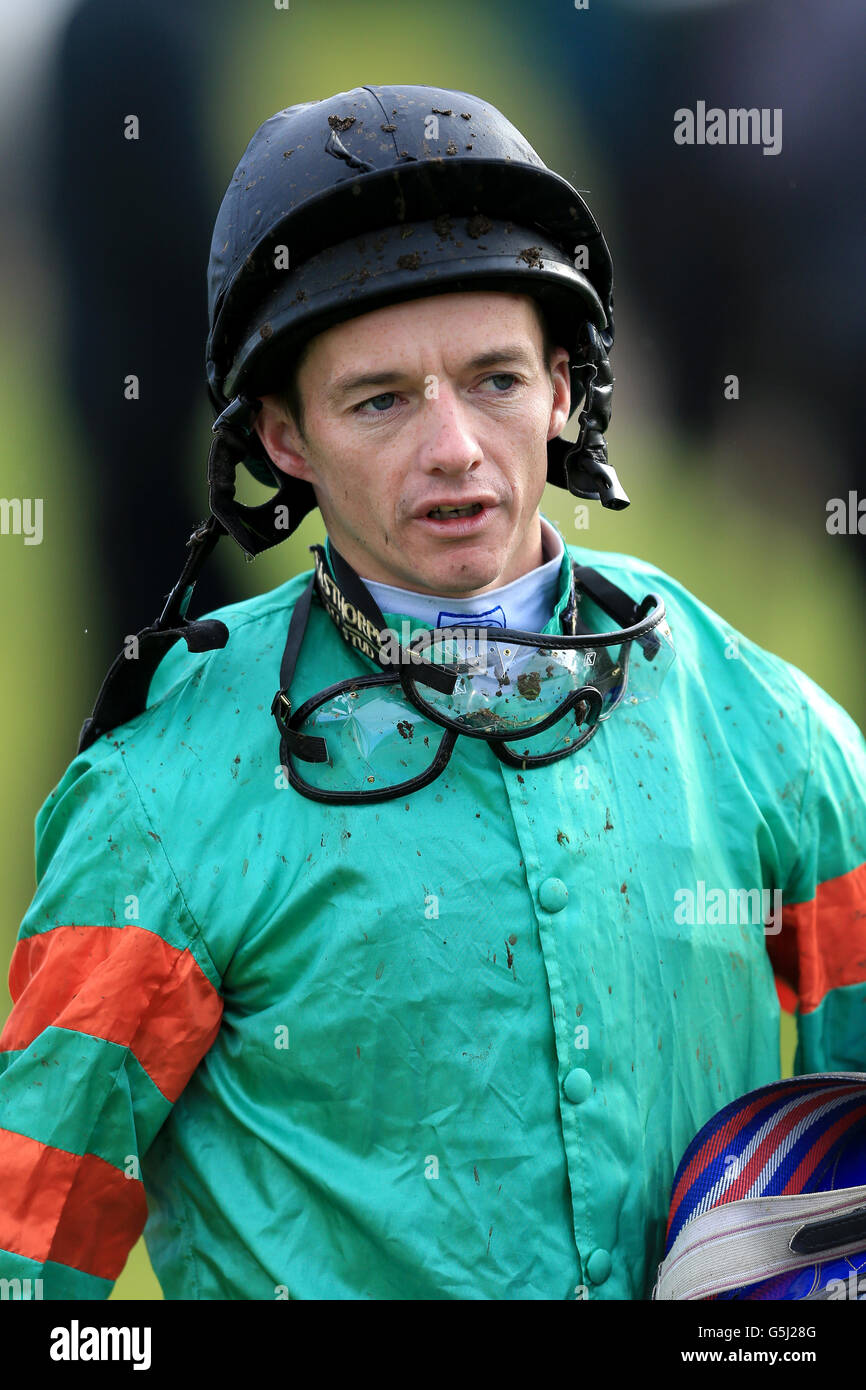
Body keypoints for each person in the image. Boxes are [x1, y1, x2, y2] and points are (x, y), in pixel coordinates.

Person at [0, 84, 864, 1302]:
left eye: (495, 380)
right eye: (380, 400)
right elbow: (27, 1265)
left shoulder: (752, 717)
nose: (453, 446)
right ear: (283, 437)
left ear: (564, 389)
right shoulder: (160, 796)